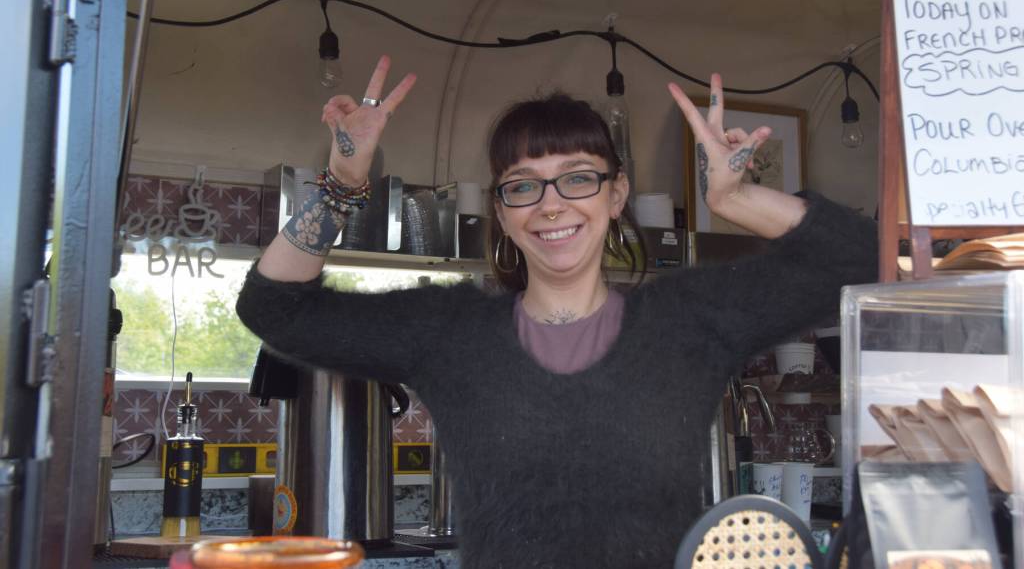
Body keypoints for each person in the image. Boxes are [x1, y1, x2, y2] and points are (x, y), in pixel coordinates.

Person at [236, 55, 877, 568]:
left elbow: (857, 261)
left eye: (578, 177)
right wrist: (342, 185)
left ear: (616, 193)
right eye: (524, 185)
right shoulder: (447, 333)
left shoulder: (690, 320)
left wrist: (736, 199)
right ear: (504, 210)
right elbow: (275, 308)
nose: (551, 204)